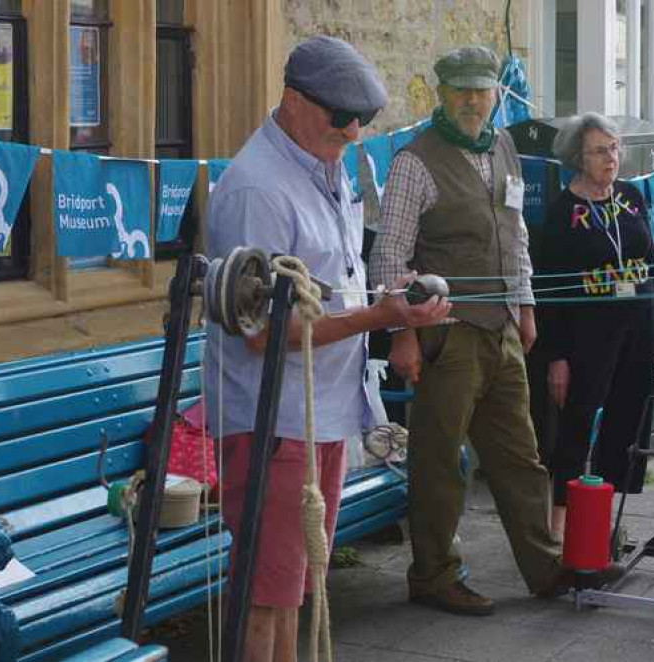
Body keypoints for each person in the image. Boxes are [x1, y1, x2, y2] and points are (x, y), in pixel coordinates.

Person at [203, 36, 450, 662]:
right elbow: (262, 333)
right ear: (291, 101)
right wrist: (378, 314)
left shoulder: (327, 165)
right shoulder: (258, 188)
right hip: (276, 421)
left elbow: (328, 284)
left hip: (323, 412)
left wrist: (391, 301)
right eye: (339, 117)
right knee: (266, 597)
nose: (352, 130)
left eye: (361, 120)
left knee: (297, 587)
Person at [369, 45, 622, 616]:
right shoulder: (415, 160)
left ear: (494, 95)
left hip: (503, 327)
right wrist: (402, 334)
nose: (472, 100)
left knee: (521, 456)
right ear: (442, 93)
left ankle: (545, 567)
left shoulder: (503, 145)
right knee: (439, 460)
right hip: (446, 330)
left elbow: (516, 237)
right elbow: (390, 256)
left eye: (481, 90)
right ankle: (433, 574)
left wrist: (526, 307)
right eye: (461, 89)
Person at [537, 112, 654, 541]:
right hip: (587, 333)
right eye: (599, 151)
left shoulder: (631, 196)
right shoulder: (562, 213)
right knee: (576, 424)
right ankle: (560, 522)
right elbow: (548, 289)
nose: (610, 158)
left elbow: (651, 264)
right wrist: (555, 355)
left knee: (627, 419)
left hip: (639, 326)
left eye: (614, 148)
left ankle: (603, 518)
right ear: (579, 157)